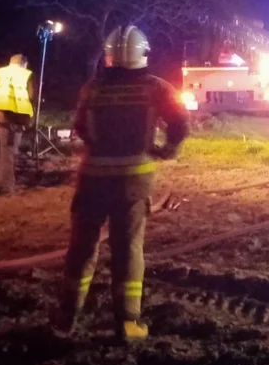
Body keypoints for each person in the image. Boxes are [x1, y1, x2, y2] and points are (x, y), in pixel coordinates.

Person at [56, 26, 189, 341]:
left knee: (81, 247)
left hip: (91, 181)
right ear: (143, 54)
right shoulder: (156, 88)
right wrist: (167, 150)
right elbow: (180, 123)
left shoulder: (92, 89)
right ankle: (128, 323)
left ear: (109, 56)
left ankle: (66, 318)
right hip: (132, 182)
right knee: (128, 248)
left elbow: (80, 127)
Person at [0, 54, 35, 195]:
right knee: (9, 151)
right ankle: (5, 187)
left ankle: (0, 180)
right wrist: (29, 118)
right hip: (13, 117)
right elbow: (31, 96)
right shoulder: (26, 74)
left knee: (0, 150)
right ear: (23, 63)